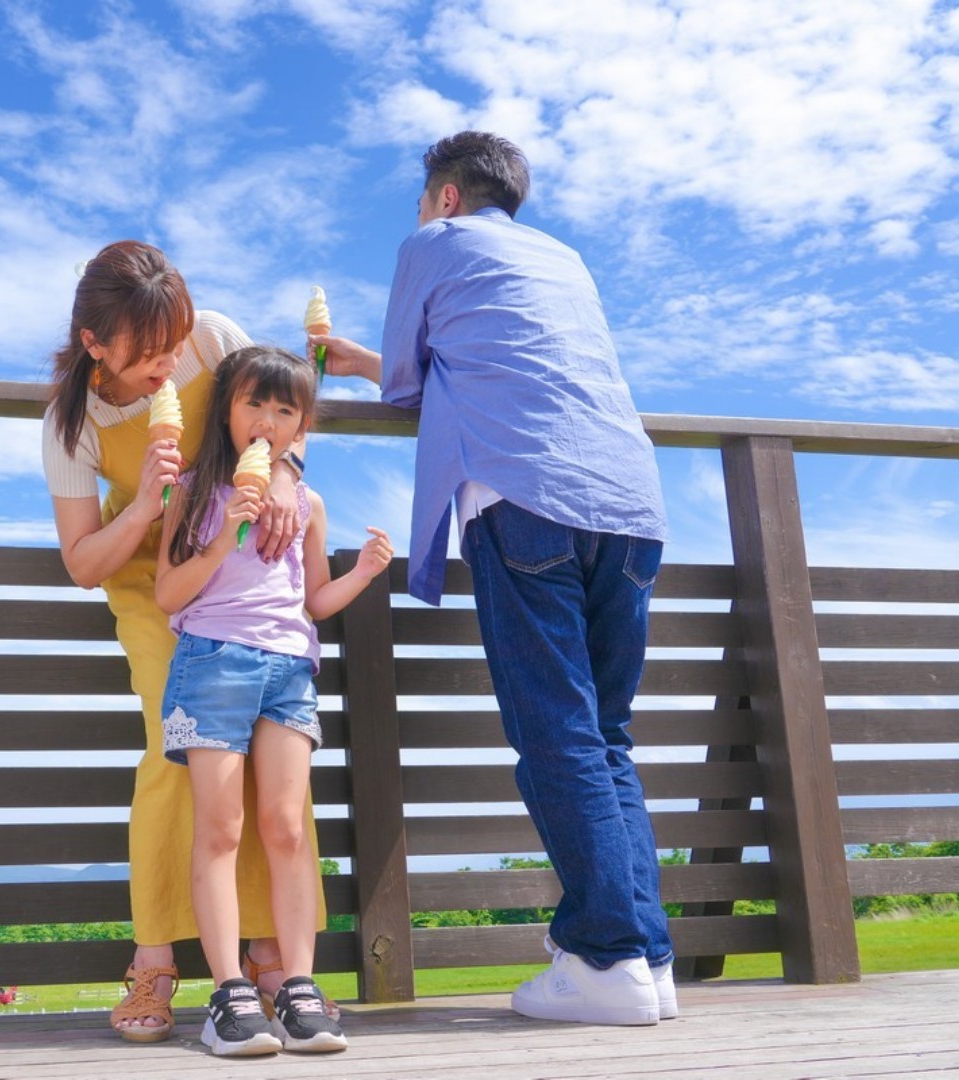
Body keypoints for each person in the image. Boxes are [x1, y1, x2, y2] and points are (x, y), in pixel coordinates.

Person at [313, 131, 677, 1026]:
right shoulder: (564, 260)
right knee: (606, 738)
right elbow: (449, 368)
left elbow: (407, 380)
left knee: (557, 737)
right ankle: (649, 960)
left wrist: (360, 363)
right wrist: (367, 363)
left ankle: (605, 956)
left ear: (443, 196)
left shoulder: (433, 245)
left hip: (526, 498)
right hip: (631, 507)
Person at [41, 241, 329, 1042]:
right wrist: (140, 510)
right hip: (157, 577)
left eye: (175, 344)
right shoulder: (72, 423)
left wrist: (277, 474)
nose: (167, 366)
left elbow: (283, 410)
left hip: (252, 572)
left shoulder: (213, 340)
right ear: (96, 344)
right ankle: (156, 956)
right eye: (146, 355)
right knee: (179, 747)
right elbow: (82, 563)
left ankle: (274, 951)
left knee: (276, 748)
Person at [155, 345, 392, 1056]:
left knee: (287, 830)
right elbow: (168, 594)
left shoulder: (308, 502)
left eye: (284, 410)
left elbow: (314, 600)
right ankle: (228, 991)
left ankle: (296, 988)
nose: (266, 421)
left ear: (300, 427)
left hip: (289, 669)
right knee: (221, 830)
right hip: (211, 664)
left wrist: (366, 572)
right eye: (253, 403)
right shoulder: (193, 490)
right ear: (225, 407)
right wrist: (227, 528)